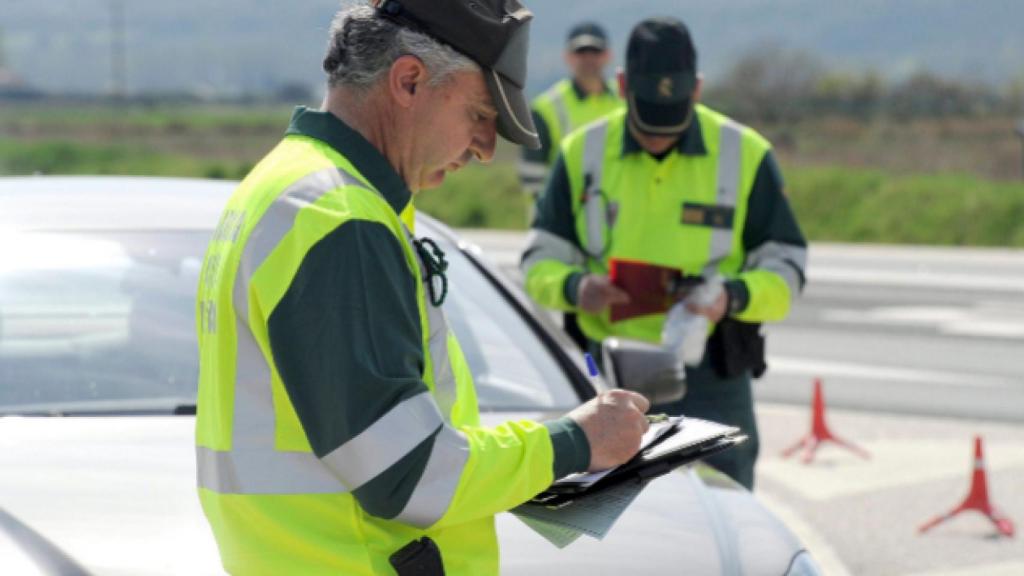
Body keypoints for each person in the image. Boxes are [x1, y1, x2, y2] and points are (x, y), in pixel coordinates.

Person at [194, 1, 650, 574]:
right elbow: (408, 475)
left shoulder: (286, 186)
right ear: (409, 81)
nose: (485, 149)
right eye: (481, 114)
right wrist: (575, 443)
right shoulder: (340, 218)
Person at [520, 17, 808, 491]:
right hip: (603, 371)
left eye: (671, 117)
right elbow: (537, 261)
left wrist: (731, 297)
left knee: (726, 506)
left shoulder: (745, 154)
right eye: (648, 116)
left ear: (696, 90)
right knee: (607, 512)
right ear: (621, 86)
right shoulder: (581, 153)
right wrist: (576, 287)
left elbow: (787, 267)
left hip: (712, 372)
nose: (658, 136)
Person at [517, 22, 623, 199]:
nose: (588, 58)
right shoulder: (545, 108)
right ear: (568, 56)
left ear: (608, 55)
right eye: (581, 52)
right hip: (563, 218)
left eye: (595, 52)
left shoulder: (624, 99)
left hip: (615, 215)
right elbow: (532, 178)